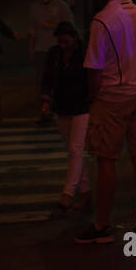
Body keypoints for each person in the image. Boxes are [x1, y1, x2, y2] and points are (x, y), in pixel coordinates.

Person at [75, 0, 136, 244]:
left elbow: (94, 68)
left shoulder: (102, 21)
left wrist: (94, 96)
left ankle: (102, 225)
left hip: (113, 96)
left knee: (106, 159)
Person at [40, 21, 91, 213]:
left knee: (75, 148)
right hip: (61, 107)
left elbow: (91, 78)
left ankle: (68, 193)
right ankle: (85, 191)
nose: (62, 45)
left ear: (74, 37)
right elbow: (47, 79)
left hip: (81, 106)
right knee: (72, 151)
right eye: (60, 42)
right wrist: (46, 100)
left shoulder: (84, 52)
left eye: (65, 41)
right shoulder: (55, 54)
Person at [28, 0, 74, 123]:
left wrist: (53, 25)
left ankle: (58, 109)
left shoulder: (60, 6)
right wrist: (31, 48)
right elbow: (33, 30)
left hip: (56, 48)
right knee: (42, 81)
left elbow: (69, 26)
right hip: (41, 49)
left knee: (57, 80)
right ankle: (45, 111)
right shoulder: (34, 8)